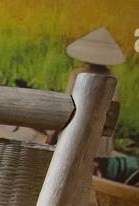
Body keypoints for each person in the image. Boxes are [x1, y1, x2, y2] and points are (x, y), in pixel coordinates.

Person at [47, 27, 123, 158]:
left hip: (75, 134)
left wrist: (53, 133)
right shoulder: (112, 77)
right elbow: (112, 110)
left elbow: (67, 106)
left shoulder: (78, 74)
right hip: (99, 138)